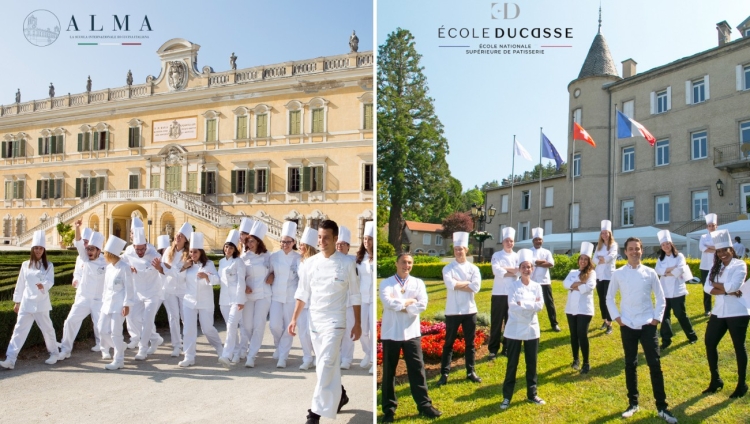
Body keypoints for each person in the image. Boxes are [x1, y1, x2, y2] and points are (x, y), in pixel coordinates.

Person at [288, 219, 361, 424]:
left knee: (327, 362)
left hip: (336, 321)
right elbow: (302, 293)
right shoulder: (310, 263)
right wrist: (294, 319)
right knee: (324, 366)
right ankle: (341, 394)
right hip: (315, 321)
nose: (322, 241)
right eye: (319, 237)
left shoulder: (347, 263)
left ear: (335, 239)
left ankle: (314, 414)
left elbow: (355, 295)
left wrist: (358, 323)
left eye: (326, 238)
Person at [607, 237, 677, 423]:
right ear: (625, 252)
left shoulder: (650, 272)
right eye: (631, 249)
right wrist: (618, 319)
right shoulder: (618, 273)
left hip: (648, 324)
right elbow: (609, 298)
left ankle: (662, 407)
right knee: (630, 364)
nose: (634, 252)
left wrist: (656, 319)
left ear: (642, 251)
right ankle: (633, 404)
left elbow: (661, 298)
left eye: (637, 249)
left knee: (655, 364)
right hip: (627, 325)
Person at [380, 252, 442, 422]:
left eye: (409, 263)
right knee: (389, 373)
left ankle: (424, 405)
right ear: (396, 263)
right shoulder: (386, 283)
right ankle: (389, 410)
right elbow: (388, 303)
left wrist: (401, 304)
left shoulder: (418, 283)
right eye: (403, 262)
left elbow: (422, 304)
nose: (406, 266)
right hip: (391, 333)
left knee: (417, 369)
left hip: (411, 333)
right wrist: (409, 302)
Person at [0, 231, 59, 369]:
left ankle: (54, 353)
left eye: (41, 248)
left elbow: (50, 281)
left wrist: (43, 285)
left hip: (42, 303)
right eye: (36, 248)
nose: (38, 251)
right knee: (19, 330)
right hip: (26, 303)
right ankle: (10, 359)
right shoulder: (25, 265)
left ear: (44, 250)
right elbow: (20, 284)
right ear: (32, 249)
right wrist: (17, 301)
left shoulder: (48, 265)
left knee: (47, 329)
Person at [703, 229, 749, 399]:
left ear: (732, 249)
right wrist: (727, 289)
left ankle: (742, 384)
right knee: (709, 342)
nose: (722, 254)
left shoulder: (740, 265)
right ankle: (716, 380)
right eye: (719, 251)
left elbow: (734, 287)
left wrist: (721, 287)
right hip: (719, 311)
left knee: (739, 346)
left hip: (738, 312)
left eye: (725, 250)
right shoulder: (716, 266)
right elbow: (706, 287)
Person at [500, 248, 545, 410]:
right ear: (519, 269)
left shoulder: (537, 287)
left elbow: (539, 306)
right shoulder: (513, 286)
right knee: (512, 364)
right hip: (514, 330)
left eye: (529, 267)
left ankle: (532, 394)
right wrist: (529, 306)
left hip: (532, 329)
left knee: (531, 363)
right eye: (524, 267)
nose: (527, 269)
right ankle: (507, 397)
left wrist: (523, 305)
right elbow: (512, 306)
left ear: (532, 269)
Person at [437, 231, 482, 386]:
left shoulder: (474, 268)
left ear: (466, 250)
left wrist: (458, 283)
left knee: (470, 343)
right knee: (448, 343)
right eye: (456, 249)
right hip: (453, 310)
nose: (458, 251)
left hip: (470, 310)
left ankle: (471, 371)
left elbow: (476, 287)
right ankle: (444, 373)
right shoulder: (448, 268)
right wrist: (466, 283)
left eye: (460, 249)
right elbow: (450, 285)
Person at [59, 222, 106, 360]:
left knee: (102, 326)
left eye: (93, 249)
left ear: (99, 250)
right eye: (88, 248)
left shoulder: (106, 261)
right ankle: (65, 349)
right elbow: (78, 242)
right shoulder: (83, 257)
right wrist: (77, 227)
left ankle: (104, 347)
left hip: (99, 300)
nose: (89, 251)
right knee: (70, 321)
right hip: (83, 298)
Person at [179, 232, 223, 367]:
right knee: (188, 330)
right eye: (191, 252)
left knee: (207, 328)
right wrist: (183, 268)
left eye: (195, 252)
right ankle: (189, 356)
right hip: (189, 301)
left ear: (201, 252)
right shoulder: (186, 265)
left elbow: (218, 280)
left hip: (205, 302)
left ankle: (221, 349)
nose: (193, 254)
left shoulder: (209, 264)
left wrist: (206, 276)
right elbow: (177, 280)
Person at [121, 227, 162, 361]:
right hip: (137, 291)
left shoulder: (154, 253)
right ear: (133, 246)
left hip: (152, 292)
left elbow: (163, 269)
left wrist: (158, 268)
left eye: (142, 249)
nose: (139, 252)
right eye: (137, 249)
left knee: (147, 321)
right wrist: (128, 267)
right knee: (132, 317)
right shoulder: (128, 251)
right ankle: (155, 338)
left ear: (146, 245)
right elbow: (121, 261)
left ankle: (142, 348)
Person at [153, 222, 192, 357]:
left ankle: (188, 344)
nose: (178, 237)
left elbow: (180, 273)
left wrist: (169, 269)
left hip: (183, 289)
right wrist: (161, 269)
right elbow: (165, 270)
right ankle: (176, 345)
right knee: (172, 317)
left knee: (185, 318)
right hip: (169, 289)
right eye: (177, 235)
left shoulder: (189, 254)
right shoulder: (168, 251)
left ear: (186, 239)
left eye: (181, 236)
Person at [655, 230, 697, 349]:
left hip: (678, 291)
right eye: (663, 245)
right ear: (661, 247)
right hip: (664, 291)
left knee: (680, 315)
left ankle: (692, 336)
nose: (666, 246)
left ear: (671, 244)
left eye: (667, 244)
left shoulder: (679, 256)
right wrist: (671, 270)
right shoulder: (660, 259)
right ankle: (666, 340)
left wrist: (666, 272)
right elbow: (658, 271)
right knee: (664, 316)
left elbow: (680, 270)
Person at [97, 235, 134, 370]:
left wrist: (127, 304)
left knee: (116, 332)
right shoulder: (109, 268)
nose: (104, 256)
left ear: (110, 254)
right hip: (107, 304)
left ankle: (118, 360)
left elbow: (129, 288)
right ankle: (119, 346)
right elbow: (106, 287)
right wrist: (102, 303)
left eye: (105, 254)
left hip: (119, 305)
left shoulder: (125, 267)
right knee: (101, 329)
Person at [269, 221, 301, 368]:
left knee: (289, 327)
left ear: (293, 242)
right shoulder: (274, 256)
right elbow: (269, 271)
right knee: (274, 326)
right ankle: (278, 346)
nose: (285, 244)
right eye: (282, 242)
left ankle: (283, 356)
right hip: (276, 295)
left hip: (291, 296)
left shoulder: (298, 258)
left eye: (288, 242)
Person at [241, 220, 272, 368]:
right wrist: (244, 286)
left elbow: (275, 271)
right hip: (248, 295)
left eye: (253, 241)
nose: (250, 244)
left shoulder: (267, 256)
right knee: (247, 325)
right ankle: (247, 348)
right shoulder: (243, 258)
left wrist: (272, 275)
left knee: (259, 325)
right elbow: (240, 276)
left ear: (259, 242)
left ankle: (251, 355)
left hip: (264, 295)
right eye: (249, 241)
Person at [562, 242, 597, 374]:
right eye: (581, 258)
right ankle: (575, 359)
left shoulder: (592, 273)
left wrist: (575, 286)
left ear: (589, 261)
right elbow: (565, 284)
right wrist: (578, 284)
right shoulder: (572, 272)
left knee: (582, 334)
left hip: (584, 309)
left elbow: (589, 287)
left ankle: (586, 362)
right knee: (573, 335)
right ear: (578, 260)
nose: (583, 261)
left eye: (585, 259)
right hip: (571, 308)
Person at [217, 230, 246, 368]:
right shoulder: (222, 262)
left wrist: (241, 300)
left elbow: (241, 282)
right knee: (232, 328)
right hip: (223, 300)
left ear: (235, 249)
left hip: (236, 299)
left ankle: (226, 355)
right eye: (226, 246)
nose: (227, 249)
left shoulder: (239, 262)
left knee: (230, 326)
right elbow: (218, 280)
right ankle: (237, 352)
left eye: (231, 247)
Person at [489, 227, 518, 358]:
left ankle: (506, 347)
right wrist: (512, 271)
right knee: (496, 322)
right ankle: (493, 349)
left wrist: (505, 269)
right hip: (498, 293)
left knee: (510, 321)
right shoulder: (496, 255)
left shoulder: (517, 256)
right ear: (503, 242)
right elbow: (497, 271)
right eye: (507, 240)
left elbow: (519, 272)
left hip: (513, 293)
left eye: (511, 241)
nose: (509, 243)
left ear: (514, 242)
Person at [296, 227, 319, 370]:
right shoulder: (299, 261)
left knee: (314, 331)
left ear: (308, 246)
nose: (299, 247)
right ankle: (307, 357)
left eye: (302, 245)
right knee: (302, 331)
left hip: (315, 301)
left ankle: (317, 355)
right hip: (302, 300)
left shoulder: (317, 261)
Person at [337, 225, 357, 369]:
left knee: (349, 330)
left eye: (343, 244)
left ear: (348, 246)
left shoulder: (354, 261)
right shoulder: (329, 260)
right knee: (336, 332)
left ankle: (347, 359)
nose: (340, 247)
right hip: (334, 303)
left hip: (349, 302)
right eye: (338, 244)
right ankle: (336, 357)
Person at [356, 221, 375, 373]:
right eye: (364, 239)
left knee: (372, 329)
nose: (366, 242)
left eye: (369, 239)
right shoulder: (360, 258)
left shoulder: (376, 258)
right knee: (363, 329)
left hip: (373, 298)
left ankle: (374, 359)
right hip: (363, 297)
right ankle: (367, 353)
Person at [530, 228, 558, 331]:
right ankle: (529, 323)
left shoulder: (547, 252)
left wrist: (536, 263)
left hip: (545, 281)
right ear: (533, 241)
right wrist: (540, 262)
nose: (538, 241)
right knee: (530, 302)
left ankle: (554, 323)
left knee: (549, 303)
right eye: (536, 239)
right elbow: (528, 263)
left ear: (542, 241)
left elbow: (551, 263)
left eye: (540, 239)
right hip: (531, 281)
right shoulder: (529, 251)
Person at [595, 220, 617, 335]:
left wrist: (602, 258)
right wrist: (602, 258)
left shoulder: (613, 245)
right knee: (601, 299)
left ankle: (610, 324)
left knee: (608, 299)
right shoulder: (598, 246)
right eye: (602, 233)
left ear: (610, 233)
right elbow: (594, 259)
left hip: (609, 276)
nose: (604, 235)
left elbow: (610, 258)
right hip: (599, 276)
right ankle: (605, 320)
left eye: (606, 233)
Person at [699, 214, 718, 316]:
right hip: (705, 266)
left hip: (717, 265)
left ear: (716, 226)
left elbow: (721, 248)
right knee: (706, 288)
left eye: (713, 225)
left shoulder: (720, 236)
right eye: (709, 225)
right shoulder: (703, 237)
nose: (711, 227)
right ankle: (707, 309)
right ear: (707, 227)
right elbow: (703, 248)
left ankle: (719, 308)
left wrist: (710, 247)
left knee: (719, 286)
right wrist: (714, 248)